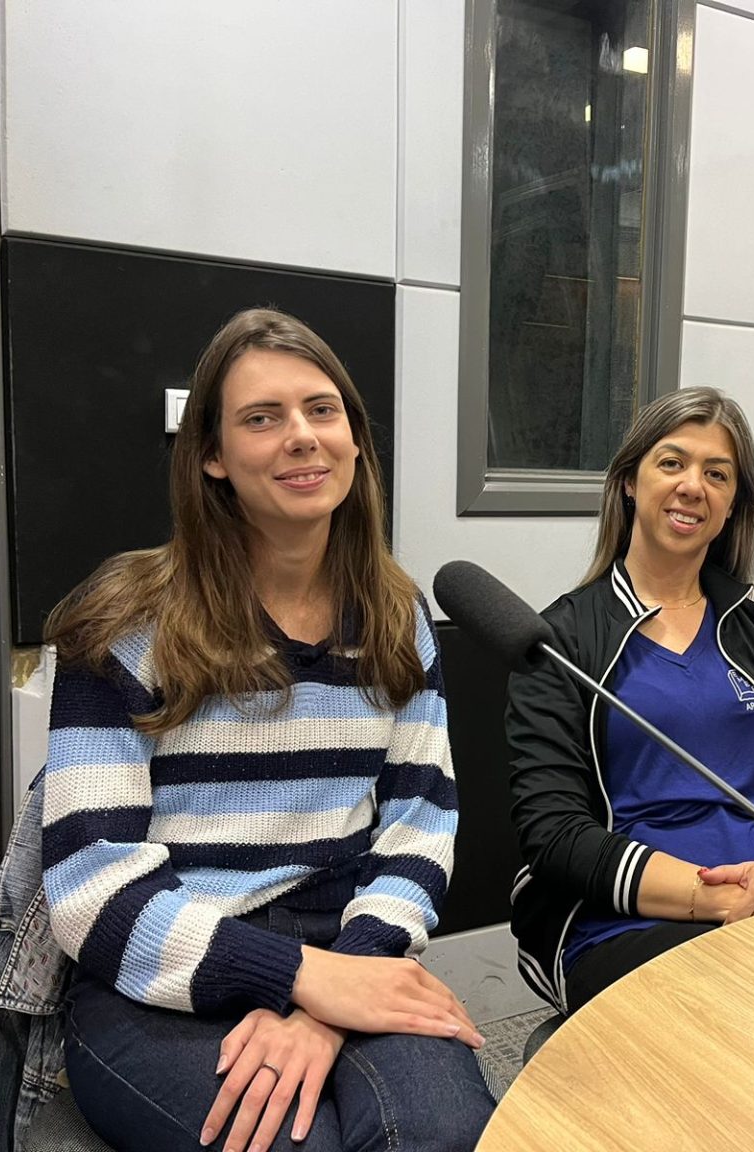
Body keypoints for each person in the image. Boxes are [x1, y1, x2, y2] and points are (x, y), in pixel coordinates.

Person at [40, 308, 494, 1152]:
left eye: (322, 410)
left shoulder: (396, 618)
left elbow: (418, 831)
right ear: (211, 456)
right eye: (262, 417)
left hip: (350, 944)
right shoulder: (124, 620)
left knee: (445, 1132)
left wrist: (331, 1000)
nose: (302, 436)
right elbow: (92, 885)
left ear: (354, 441)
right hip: (162, 967)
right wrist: (300, 978)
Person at [505, 387, 754, 1014]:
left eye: (717, 474)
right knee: (748, 1018)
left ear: (732, 506)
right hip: (627, 922)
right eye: (672, 463)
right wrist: (722, 898)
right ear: (629, 483)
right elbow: (555, 836)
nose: (693, 486)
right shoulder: (560, 642)